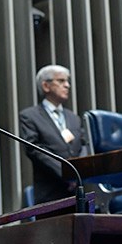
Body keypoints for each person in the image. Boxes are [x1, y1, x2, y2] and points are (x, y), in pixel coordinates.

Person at [19, 65, 86, 204]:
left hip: (79, 193)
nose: (67, 85)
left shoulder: (74, 118)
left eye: (67, 81)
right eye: (61, 81)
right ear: (45, 86)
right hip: (50, 194)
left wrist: (81, 172)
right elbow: (34, 150)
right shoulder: (30, 116)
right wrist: (67, 174)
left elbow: (85, 144)